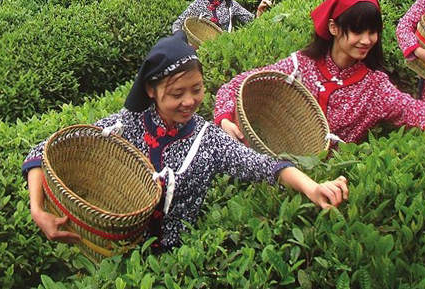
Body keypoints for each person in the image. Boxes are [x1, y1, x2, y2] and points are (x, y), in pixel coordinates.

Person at [22, 31, 350, 251]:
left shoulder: (207, 140)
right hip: (112, 254)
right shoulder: (125, 125)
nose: (189, 102)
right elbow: (42, 152)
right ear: (151, 90)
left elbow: (262, 165)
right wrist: (38, 210)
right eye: (176, 94)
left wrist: (311, 187)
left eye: (197, 90)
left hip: (175, 260)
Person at [214, 0, 425, 146]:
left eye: (373, 32)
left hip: (327, 181)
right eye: (358, 32)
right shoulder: (300, 65)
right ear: (334, 27)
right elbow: (237, 84)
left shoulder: (374, 85)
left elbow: (412, 110)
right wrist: (226, 119)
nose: (367, 41)